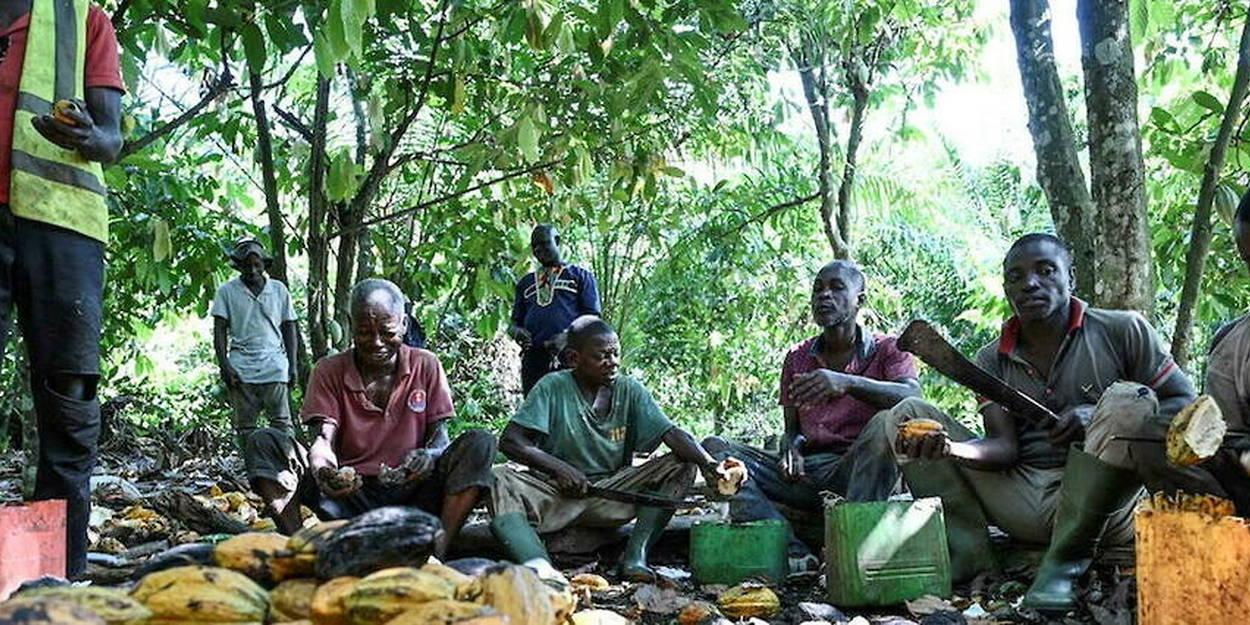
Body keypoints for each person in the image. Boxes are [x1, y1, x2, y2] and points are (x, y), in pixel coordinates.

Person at [869, 233, 1201, 612]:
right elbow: (1003, 448)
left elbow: (1185, 403)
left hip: (1108, 506)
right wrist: (950, 449)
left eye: (1046, 271)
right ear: (1007, 288)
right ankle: (970, 556)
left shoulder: (1122, 329)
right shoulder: (991, 358)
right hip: (1026, 497)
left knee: (1131, 399)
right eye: (1016, 276)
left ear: (1070, 277)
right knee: (905, 414)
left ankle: (1063, 565)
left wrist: (1098, 417)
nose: (1030, 283)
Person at [0, 0, 125, 577]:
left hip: (63, 226)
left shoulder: (84, 20)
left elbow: (111, 140)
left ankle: (53, 576)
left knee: (68, 402)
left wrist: (81, 134)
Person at [245, 279, 496, 558]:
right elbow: (323, 438)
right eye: (364, 332)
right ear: (351, 324)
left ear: (403, 324)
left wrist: (430, 455)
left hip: (413, 491)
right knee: (263, 442)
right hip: (350, 497)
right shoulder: (329, 370)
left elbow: (440, 437)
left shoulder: (426, 364)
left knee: (480, 443)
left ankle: (437, 552)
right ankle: (302, 550)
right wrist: (324, 472)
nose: (376, 343)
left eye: (387, 332)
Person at [703, 260, 919, 574]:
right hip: (806, 475)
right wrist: (791, 447)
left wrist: (846, 382)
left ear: (861, 299)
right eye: (818, 288)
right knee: (714, 450)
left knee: (886, 422)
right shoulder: (798, 358)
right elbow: (792, 429)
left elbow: (912, 398)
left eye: (837, 288)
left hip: (858, 472)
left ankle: (849, 548)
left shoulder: (889, 349)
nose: (824, 296)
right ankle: (793, 551)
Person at [491, 316, 730, 582]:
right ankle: (540, 568)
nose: (613, 361)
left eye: (616, 353)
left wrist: (710, 465)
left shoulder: (629, 390)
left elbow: (670, 433)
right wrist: (558, 468)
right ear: (573, 359)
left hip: (612, 494)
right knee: (498, 478)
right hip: (555, 494)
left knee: (682, 464)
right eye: (602, 356)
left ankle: (635, 557)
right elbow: (511, 440)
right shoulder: (552, 387)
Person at [211, 238, 298, 453]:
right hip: (242, 368)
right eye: (247, 265)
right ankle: (253, 473)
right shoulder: (227, 292)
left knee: (282, 425)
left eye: (257, 264)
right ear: (238, 265)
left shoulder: (279, 290)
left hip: (274, 366)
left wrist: (292, 365)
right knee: (245, 428)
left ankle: (287, 468)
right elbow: (219, 331)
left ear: (264, 265)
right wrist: (225, 366)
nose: (252, 270)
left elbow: (289, 327)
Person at [509, 224, 600, 395]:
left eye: (544, 243)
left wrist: (567, 337)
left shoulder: (580, 276)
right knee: (536, 413)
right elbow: (514, 323)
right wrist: (517, 333)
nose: (538, 249)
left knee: (571, 411)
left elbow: (593, 318)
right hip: (534, 361)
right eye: (534, 246)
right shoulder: (525, 283)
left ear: (557, 241)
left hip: (571, 358)